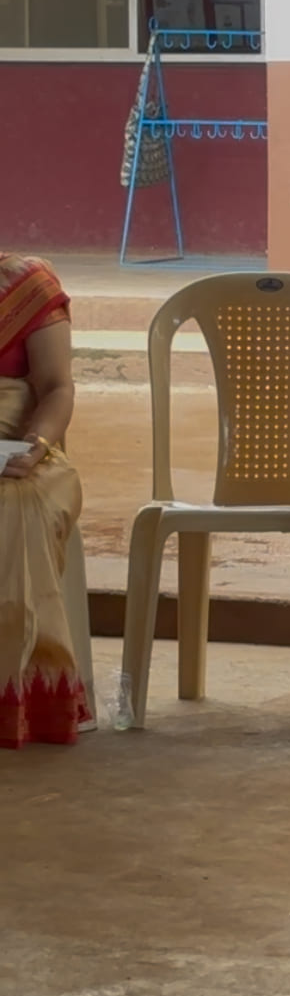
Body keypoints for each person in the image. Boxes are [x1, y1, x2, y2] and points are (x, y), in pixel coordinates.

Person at [0, 253, 93, 749]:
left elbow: (57, 388)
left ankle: (18, 696)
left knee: (14, 504)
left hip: (19, 453)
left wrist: (33, 446)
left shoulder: (26, 286)